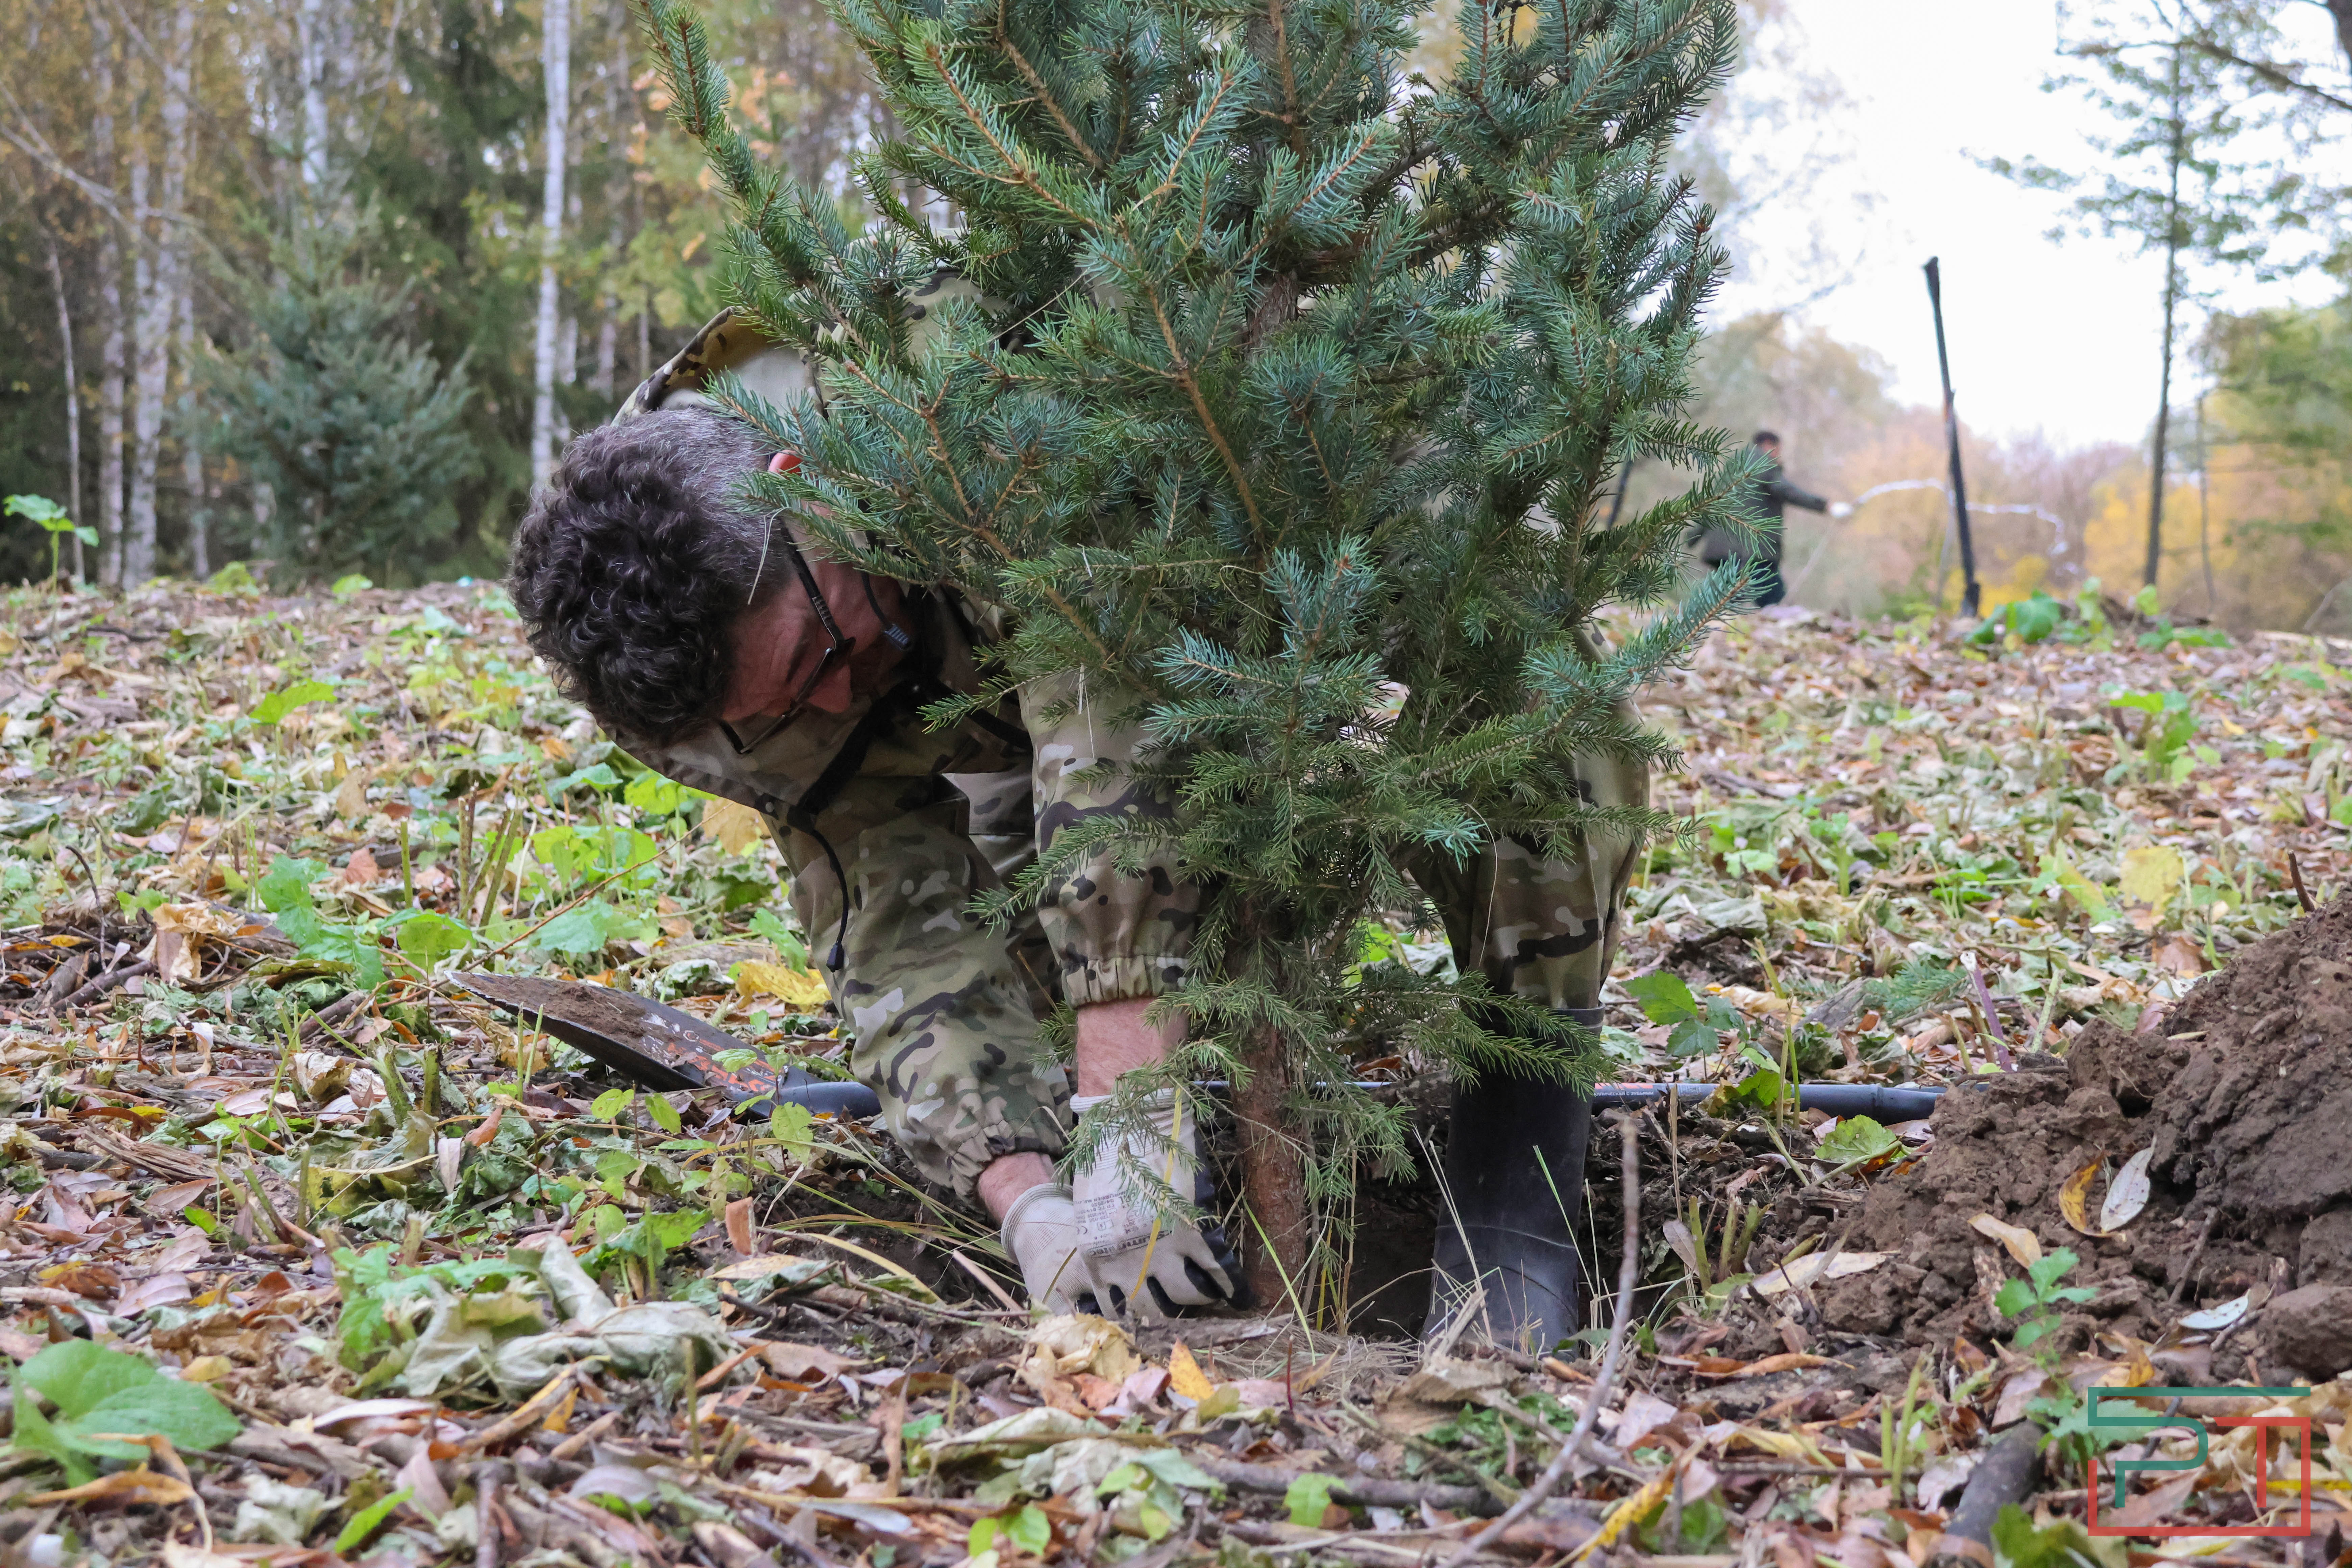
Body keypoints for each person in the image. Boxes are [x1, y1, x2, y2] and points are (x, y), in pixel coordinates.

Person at [504, 295, 1644, 1350]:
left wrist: (1127, 1090)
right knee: (1050, 1039)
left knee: (1543, 711)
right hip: (985, 702)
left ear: (807, 487)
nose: (829, 706)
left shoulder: (968, 403)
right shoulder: (674, 678)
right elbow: (883, 900)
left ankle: (1520, 1132)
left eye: (817, 660)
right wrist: (1023, 1194)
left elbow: (1099, 691)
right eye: (781, 710)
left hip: (1298, 507)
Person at [1698, 432, 1851, 607]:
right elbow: (1786, 490)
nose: (1779, 456)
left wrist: (1695, 534)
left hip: (1722, 548)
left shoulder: (1732, 470)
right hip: (1754, 548)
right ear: (1770, 445)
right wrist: (1827, 506)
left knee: (1722, 603)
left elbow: (1709, 503)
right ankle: (1785, 621)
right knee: (1773, 598)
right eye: (1778, 450)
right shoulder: (1763, 463)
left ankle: (1702, 627)